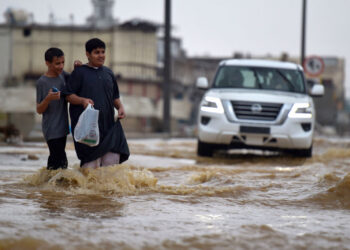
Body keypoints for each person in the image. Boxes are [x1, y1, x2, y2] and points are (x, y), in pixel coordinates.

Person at [65, 38, 130, 168]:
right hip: (88, 130)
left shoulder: (109, 73)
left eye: (103, 52)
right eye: (96, 52)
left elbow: (114, 97)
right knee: (90, 171)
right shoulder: (79, 72)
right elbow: (68, 96)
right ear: (88, 54)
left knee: (111, 171)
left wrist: (120, 107)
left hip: (109, 129)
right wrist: (82, 100)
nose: (101, 55)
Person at [36, 47, 70, 170]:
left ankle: (46, 185)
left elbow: (76, 79)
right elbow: (39, 110)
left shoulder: (63, 75)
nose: (61, 66)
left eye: (63, 63)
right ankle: (53, 185)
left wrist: (78, 66)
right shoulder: (42, 82)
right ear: (47, 63)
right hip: (51, 129)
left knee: (56, 161)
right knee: (61, 162)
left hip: (63, 128)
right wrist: (48, 99)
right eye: (57, 63)